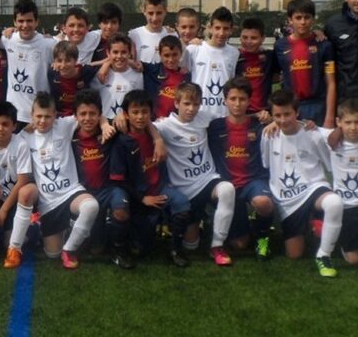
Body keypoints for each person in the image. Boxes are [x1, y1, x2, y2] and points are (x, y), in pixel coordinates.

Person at [261, 88, 343, 277]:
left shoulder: (313, 133)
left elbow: (329, 163)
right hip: (286, 199)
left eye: (287, 114)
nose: (283, 120)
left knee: (334, 202)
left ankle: (324, 255)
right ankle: (312, 223)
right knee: (294, 254)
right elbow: (266, 164)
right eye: (277, 115)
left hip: (312, 188)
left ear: (297, 112)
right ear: (272, 116)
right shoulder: (268, 135)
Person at [153, 82, 236, 266]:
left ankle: (217, 246)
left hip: (207, 180)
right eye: (187, 104)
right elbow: (145, 126)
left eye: (196, 104)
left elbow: (232, 118)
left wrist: (260, 116)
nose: (191, 109)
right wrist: (158, 139)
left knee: (227, 189)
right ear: (176, 103)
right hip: (185, 190)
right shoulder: (165, 125)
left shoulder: (204, 117)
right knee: (191, 245)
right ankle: (205, 223)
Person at [20, 92, 101, 269]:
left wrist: (104, 122)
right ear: (32, 115)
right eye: (39, 116)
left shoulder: (64, 125)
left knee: (91, 206)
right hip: (48, 203)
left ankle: (69, 250)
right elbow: (6, 142)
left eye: (47, 116)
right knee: (52, 254)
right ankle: (62, 227)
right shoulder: (24, 136)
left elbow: (89, 116)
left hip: (71, 193)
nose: (43, 121)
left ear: (55, 115)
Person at [114, 90, 192, 267]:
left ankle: (176, 249)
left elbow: (156, 128)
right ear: (126, 114)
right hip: (138, 196)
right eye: (135, 112)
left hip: (160, 190)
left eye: (145, 112)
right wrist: (142, 198)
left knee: (182, 203)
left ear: (151, 113)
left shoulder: (157, 133)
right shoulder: (122, 141)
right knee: (143, 249)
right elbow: (118, 179)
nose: (140, 117)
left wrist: (158, 140)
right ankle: (123, 247)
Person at [208, 77, 275, 260]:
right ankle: (243, 226)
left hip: (253, 181)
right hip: (229, 186)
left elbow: (287, 123)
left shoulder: (260, 126)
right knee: (239, 245)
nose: (237, 104)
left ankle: (262, 237)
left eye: (242, 99)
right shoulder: (214, 127)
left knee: (263, 203)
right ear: (225, 100)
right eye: (233, 99)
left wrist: (274, 120)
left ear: (249, 100)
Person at [71, 89, 133, 269]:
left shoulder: (109, 132)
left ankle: (119, 251)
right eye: (83, 114)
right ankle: (95, 236)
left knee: (121, 210)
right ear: (76, 116)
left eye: (92, 114)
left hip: (109, 189)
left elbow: (131, 121)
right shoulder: (69, 136)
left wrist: (109, 122)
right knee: (96, 248)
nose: (87, 118)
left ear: (100, 114)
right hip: (84, 193)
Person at [321, 98, 358, 265]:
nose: (353, 127)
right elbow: (303, 126)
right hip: (347, 204)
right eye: (348, 122)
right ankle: (348, 239)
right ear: (338, 122)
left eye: (357, 122)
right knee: (354, 260)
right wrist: (272, 123)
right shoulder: (331, 139)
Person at [0, 101, 36, 269]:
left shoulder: (21, 145)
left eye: (5, 124)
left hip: (19, 198)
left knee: (8, 243)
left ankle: (35, 225)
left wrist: (3, 211)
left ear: (14, 126)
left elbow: (23, 180)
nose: (0, 129)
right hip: (1, 198)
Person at [274, 0, 336, 127]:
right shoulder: (280, 46)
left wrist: (329, 116)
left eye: (307, 17)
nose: (303, 22)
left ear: (313, 19)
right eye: (298, 18)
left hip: (318, 106)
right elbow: (275, 76)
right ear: (290, 20)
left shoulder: (324, 45)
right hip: (290, 107)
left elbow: (331, 82)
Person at [3, 0, 57, 127]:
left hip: (39, 116)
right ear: (14, 22)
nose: (25, 25)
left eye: (29, 21)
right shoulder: (7, 39)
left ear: (36, 21)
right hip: (13, 115)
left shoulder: (49, 44)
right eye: (21, 21)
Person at [184, 7, 239, 118]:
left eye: (226, 28)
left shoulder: (234, 53)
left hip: (223, 115)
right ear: (210, 28)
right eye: (217, 28)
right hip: (198, 114)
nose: (221, 33)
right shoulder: (194, 49)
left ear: (231, 30)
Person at [91, 34, 143, 119]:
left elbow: (139, 103)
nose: (119, 56)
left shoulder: (137, 75)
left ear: (129, 53)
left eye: (124, 52)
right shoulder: (100, 73)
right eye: (115, 52)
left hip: (127, 122)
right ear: (108, 53)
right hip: (104, 123)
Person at [235, 17, 278, 115]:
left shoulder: (270, 56)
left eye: (254, 38)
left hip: (264, 113)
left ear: (263, 38)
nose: (248, 42)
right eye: (245, 37)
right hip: (241, 113)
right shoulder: (234, 57)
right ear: (240, 37)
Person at [142, 35, 191, 119]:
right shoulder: (151, 71)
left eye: (174, 55)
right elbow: (132, 63)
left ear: (181, 53)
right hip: (153, 123)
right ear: (160, 54)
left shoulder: (187, 77)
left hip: (175, 124)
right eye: (166, 55)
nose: (171, 60)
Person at [48, 41, 98, 117]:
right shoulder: (52, 73)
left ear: (76, 60)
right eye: (59, 61)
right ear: (54, 61)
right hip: (58, 116)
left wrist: (106, 64)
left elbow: (94, 66)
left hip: (80, 117)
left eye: (68, 61)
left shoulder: (86, 71)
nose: (63, 65)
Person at [129, 0, 175, 64]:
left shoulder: (173, 35)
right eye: (150, 13)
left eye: (159, 13)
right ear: (144, 11)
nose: (154, 18)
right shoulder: (133, 35)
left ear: (165, 11)